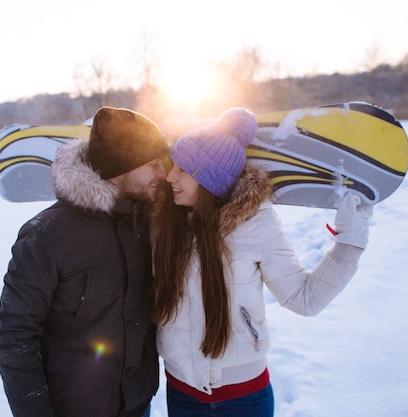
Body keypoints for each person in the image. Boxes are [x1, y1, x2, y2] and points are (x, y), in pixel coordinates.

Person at [151, 107, 373, 416]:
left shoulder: (255, 225)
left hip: (243, 399)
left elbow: (304, 299)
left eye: (183, 169)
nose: (170, 176)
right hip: (181, 395)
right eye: (172, 165)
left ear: (210, 179)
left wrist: (349, 243)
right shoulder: (163, 227)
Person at [0, 106, 170, 417]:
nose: (163, 174)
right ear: (122, 166)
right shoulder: (46, 235)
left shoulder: (146, 223)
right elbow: (14, 334)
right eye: (154, 164)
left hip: (138, 405)